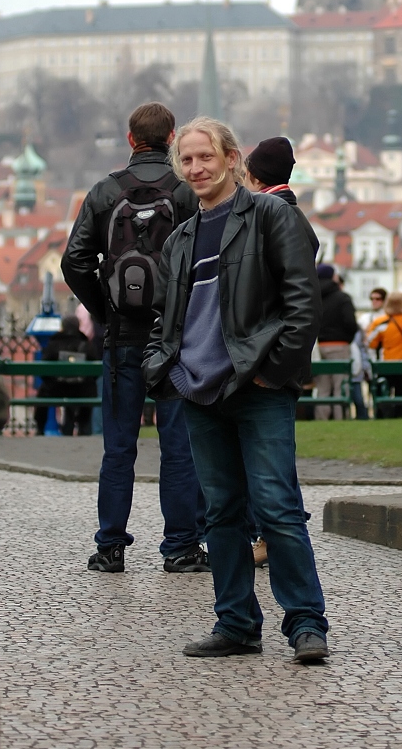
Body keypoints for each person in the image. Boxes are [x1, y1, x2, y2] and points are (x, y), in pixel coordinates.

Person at [143, 116, 329, 662]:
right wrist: (166, 372)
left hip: (259, 386)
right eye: (187, 159)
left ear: (231, 159)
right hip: (200, 392)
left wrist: (274, 371)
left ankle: (305, 623)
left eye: (205, 157)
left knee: (277, 508)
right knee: (221, 514)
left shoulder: (270, 215)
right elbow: (164, 320)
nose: (196, 168)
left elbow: (303, 304)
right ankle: (237, 623)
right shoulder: (180, 238)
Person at [61, 102, 207, 575]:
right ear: (172, 138)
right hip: (175, 338)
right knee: (178, 447)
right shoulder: (185, 191)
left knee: (119, 447)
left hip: (121, 336)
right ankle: (181, 546)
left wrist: (104, 311)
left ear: (130, 139)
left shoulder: (105, 191)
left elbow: (74, 261)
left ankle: (110, 547)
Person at [244, 135, 318, 568]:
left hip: (271, 355)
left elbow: (293, 302)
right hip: (280, 355)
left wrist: (273, 367)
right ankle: (277, 531)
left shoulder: (273, 214)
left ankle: (274, 535)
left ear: (253, 175)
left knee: (270, 457)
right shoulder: (291, 212)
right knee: (274, 455)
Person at [314, 264, 357, 420]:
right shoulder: (342, 298)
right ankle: (341, 418)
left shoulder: (313, 297)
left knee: (323, 388)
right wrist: (348, 338)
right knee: (341, 386)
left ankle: (321, 419)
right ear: (333, 276)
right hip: (339, 345)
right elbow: (350, 323)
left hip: (318, 346)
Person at [39, 314, 93, 437]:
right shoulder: (86, 344)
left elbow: (43, 370)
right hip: (81, 389)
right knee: (90, 389)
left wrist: (52, 381)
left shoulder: (54, 343)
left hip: (57, 389)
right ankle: (83, 426)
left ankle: (40, 427)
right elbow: (94, 370)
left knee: (43, 391)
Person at [367, 290, 402, 417]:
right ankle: (400, 414)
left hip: (385, 364)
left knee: (384, 391)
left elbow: (370, 342)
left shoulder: (380, 322)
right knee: (401, 391)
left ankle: (384, 415)